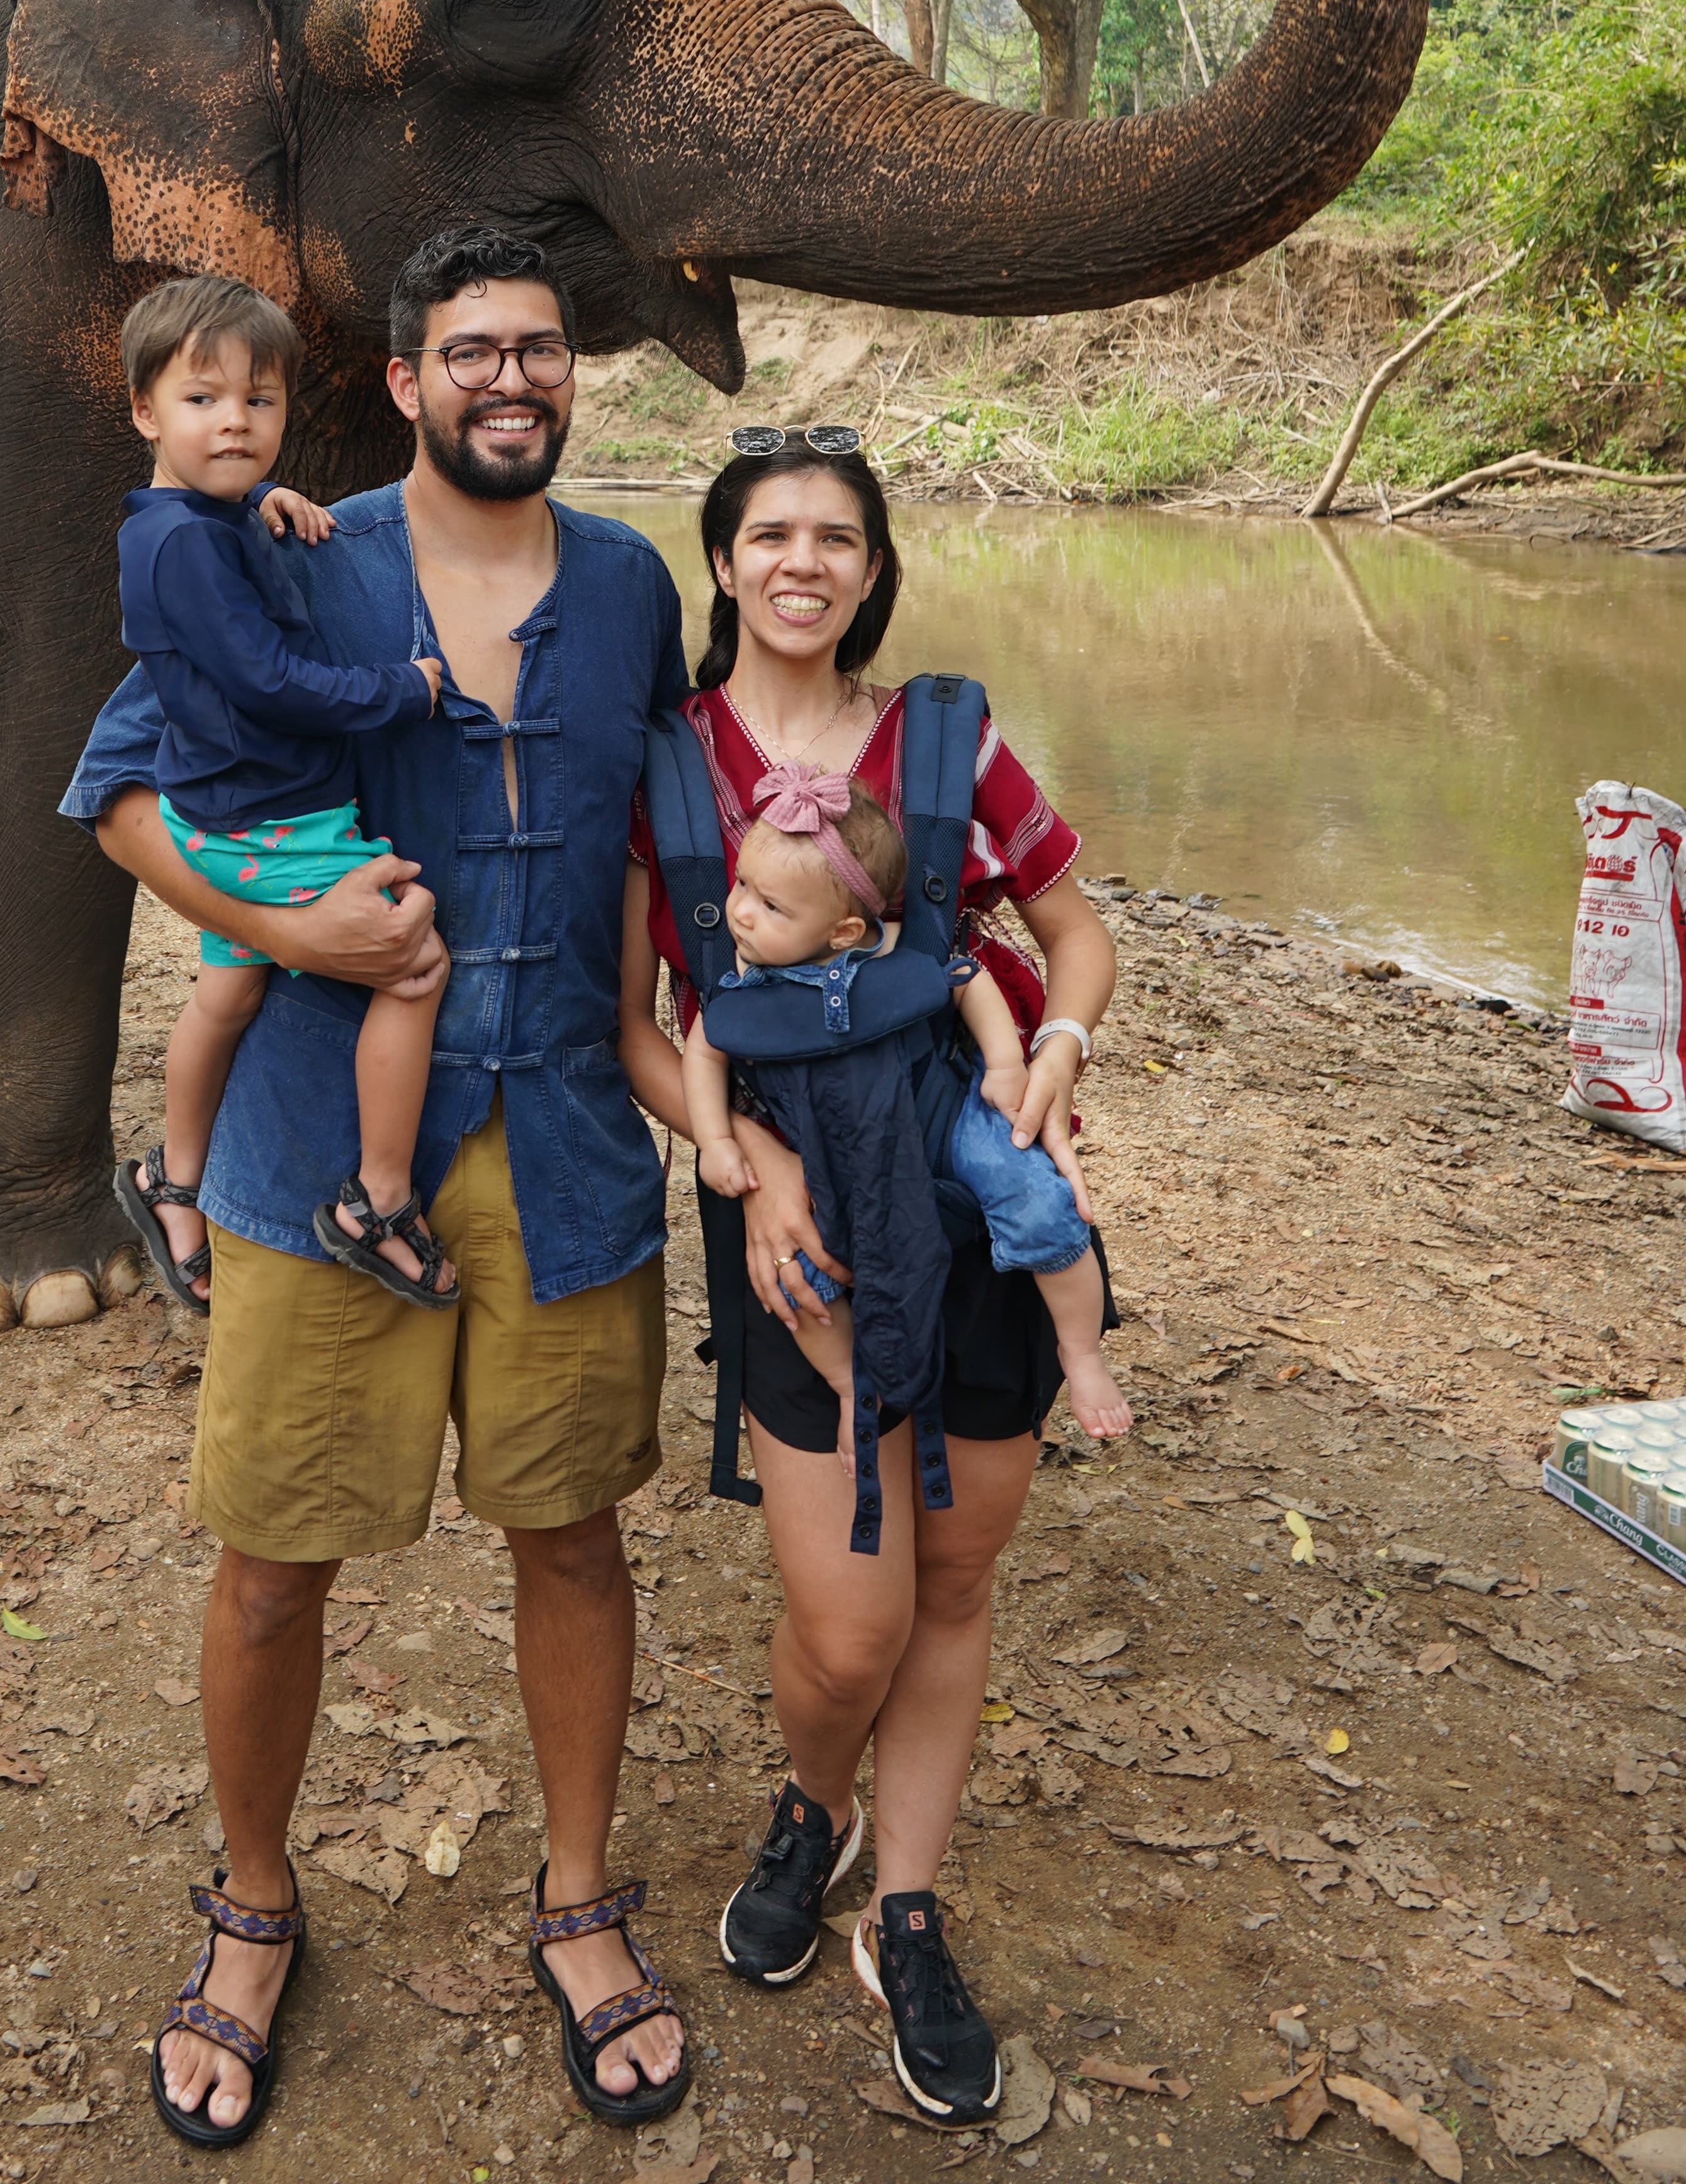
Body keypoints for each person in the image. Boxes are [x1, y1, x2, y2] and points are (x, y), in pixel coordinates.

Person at [66, 225, 694, 2150]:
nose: (511, 379)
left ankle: (575, 1899)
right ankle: (253, 1904)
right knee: (272, 1562)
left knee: (571, 1534)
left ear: (570, 377)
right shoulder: (285, 547)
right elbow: (112, 789)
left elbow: (677, 837)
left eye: (541, 351)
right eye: (469, 353)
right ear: (404, 383)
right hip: (317, 1148)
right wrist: (279, 917)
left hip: (568, 1139)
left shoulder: (625, 587)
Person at [619, 431, 1120, 2125]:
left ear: (873, 568)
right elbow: (641, 1018)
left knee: (954, 1589)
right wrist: (741, 1166)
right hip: (800, 1246)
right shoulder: (670, 765)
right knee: (850, 1630)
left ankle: (903, 1907)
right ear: (726, 564)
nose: (804, 562)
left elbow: (1074, 934)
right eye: (771, 534)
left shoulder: (950, 740)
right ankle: (809, 1798)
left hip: (973, 1225)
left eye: (838, 537)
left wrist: (1051, 1054)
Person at [108, 273, 453, 1312]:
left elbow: (221, 537)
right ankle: (378, 1199)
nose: (236, 422)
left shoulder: (191, 523)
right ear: (144, 411)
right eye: (203, 400)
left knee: (230, 989)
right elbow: (266, 677)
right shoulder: (182, 545)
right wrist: (404, 689)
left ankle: (172, 1177)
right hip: (275, 824)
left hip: (218, 813)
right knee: (415, 959)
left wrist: (264, 499)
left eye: (260, 404)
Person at [678, 774, 1132, 1455]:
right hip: (840, 1156)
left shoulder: (885, 949)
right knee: (799, 1273)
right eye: (742, 886)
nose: (740, 913)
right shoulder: (746, 993)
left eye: (771, 906)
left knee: (1039, 1200)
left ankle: (1082, 1353)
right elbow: (704, 1052)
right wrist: (716, 1139)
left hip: (948, 1120)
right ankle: (850, 1385)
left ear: (845, 929)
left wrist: (1006, 1066)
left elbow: (966, 980)